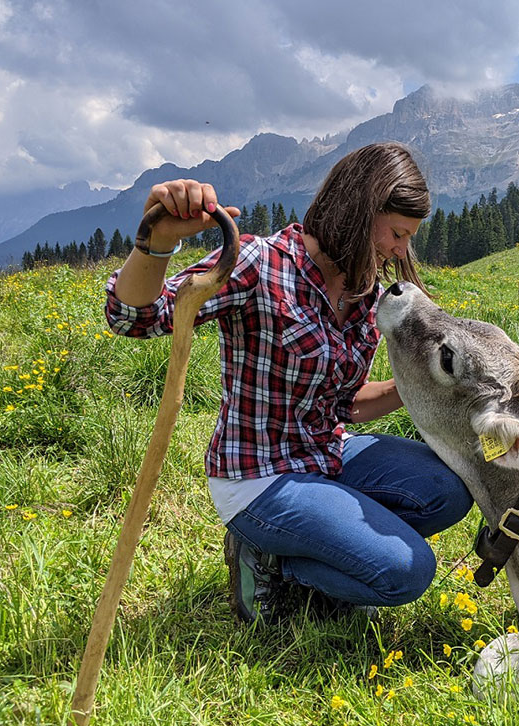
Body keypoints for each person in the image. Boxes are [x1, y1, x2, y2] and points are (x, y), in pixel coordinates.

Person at [105, 142, 473, 624]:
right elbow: (133, 316)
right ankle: (269, 557)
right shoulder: (259, 264)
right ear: (359, 211)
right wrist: (156, 242)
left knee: (449, 489)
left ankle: (323, 538)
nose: (401, 251)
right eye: (398, 233)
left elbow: (347, 405)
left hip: (327, 453)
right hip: (259, 476)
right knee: (406, 571)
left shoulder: (366, 292)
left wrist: (420, 386)